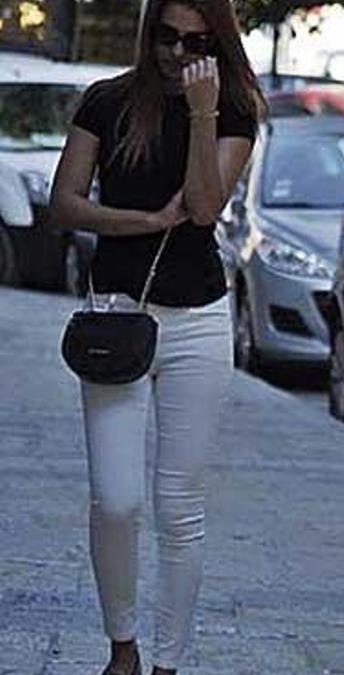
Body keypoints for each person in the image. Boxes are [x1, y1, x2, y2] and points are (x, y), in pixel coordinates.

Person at [48, 1, 263, 673]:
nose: (177, 51)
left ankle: (168, 661)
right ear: (150, 35)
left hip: (198, 321)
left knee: (180, 506)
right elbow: (64, 201)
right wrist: (142, 221)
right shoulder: (107, 101)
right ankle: (123, 646)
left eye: (195, 40)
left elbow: (203, 206)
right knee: (115, 498)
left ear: (216, 42)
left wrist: (202, 112)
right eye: (166, 36)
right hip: (116, 314)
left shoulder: (233, 110)